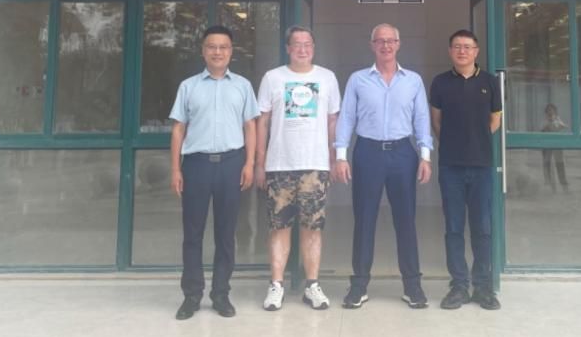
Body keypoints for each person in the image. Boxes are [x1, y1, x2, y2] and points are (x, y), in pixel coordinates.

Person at [333, 23, 434, 309]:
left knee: (406, 220)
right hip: (368, 153)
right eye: (380, 41)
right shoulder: (358, 80)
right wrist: (341, 155)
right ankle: (359, 286)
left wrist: (425, 156)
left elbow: (421, 119)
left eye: (391, 41)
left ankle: (412, 286)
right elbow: (347, 118)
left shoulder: (413, 80)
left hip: (403, 153)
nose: (386, 45)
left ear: (399, 44)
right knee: (364, 220)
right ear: (372, 45)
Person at [169, 25, 258, 320]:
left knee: (226, 233)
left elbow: (250, 126)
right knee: (192, 233)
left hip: (232, 164)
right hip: (196, 165)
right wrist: (175, 168)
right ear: (203, 51)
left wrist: (249, 163)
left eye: (223, 47)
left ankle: (221, 294)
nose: (217, 52)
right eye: (212, 46)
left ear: (231, 52)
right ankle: (191, 296)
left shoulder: (242, 86)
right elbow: (178, 128)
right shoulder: (188, 86)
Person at [255, 26, 341, 311]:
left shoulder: (327, 78)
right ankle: (276, 285)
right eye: (297, 44)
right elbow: (262, 122)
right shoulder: (272, 78)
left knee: (312, 227)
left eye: (308, 44)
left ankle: (312, 285)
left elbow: (333, 121)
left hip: (315, 166)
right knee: (278, 226)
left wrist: (333, 158)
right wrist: (260, 163)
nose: (302, 49)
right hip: (280, 165)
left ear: (313, 48)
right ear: (288, 48)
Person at [429, 29, 502, 310]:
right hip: (451, 167)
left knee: (482, 228)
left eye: (467, 47)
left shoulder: (490, 82)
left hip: (482, 166)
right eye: (457, 46)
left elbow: (494, 121)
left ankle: (483, 287)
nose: (462, 51)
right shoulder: (440, 83)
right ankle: (459, 286)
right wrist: (454, 143)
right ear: (450, 51)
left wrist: (476, 142)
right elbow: (436, 122)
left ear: (476, 51)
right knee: (454, 228)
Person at [541, 103, 569, 193]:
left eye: (552, 112)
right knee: (548, 166)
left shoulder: (558, 121)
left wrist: (555, 123)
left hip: (557, 148)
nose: (550, 114)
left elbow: (564, 127)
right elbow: (542, 130)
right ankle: (551, 188)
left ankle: (564, 187)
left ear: (555, 113)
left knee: (560, 166)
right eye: (548, 112)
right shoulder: (544, 122)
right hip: (547, 148)